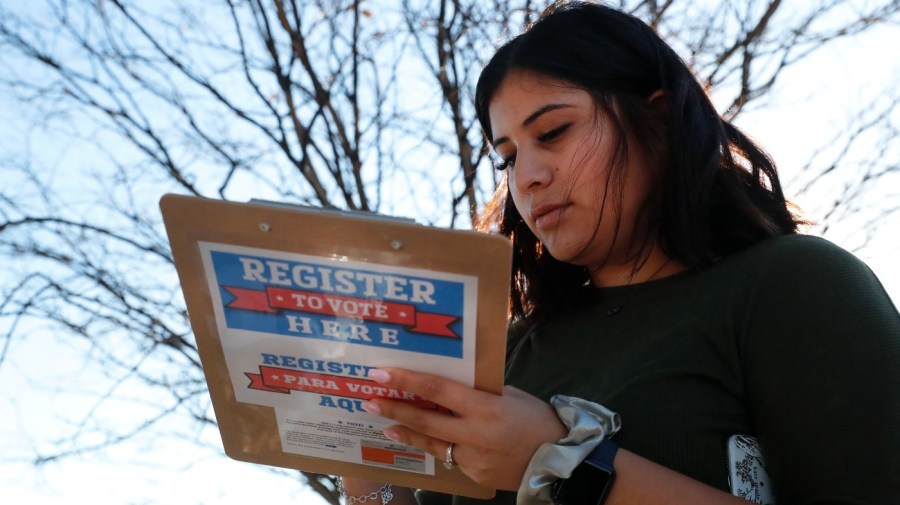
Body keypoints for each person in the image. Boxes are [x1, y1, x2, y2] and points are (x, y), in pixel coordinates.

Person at [339, 1, 900, 504]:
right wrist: (361, 461)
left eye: (554, 131)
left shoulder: (795, 286)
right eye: (507, 158)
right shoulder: (506, 351)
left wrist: (563, 466)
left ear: (656, 119)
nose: (527, 178)